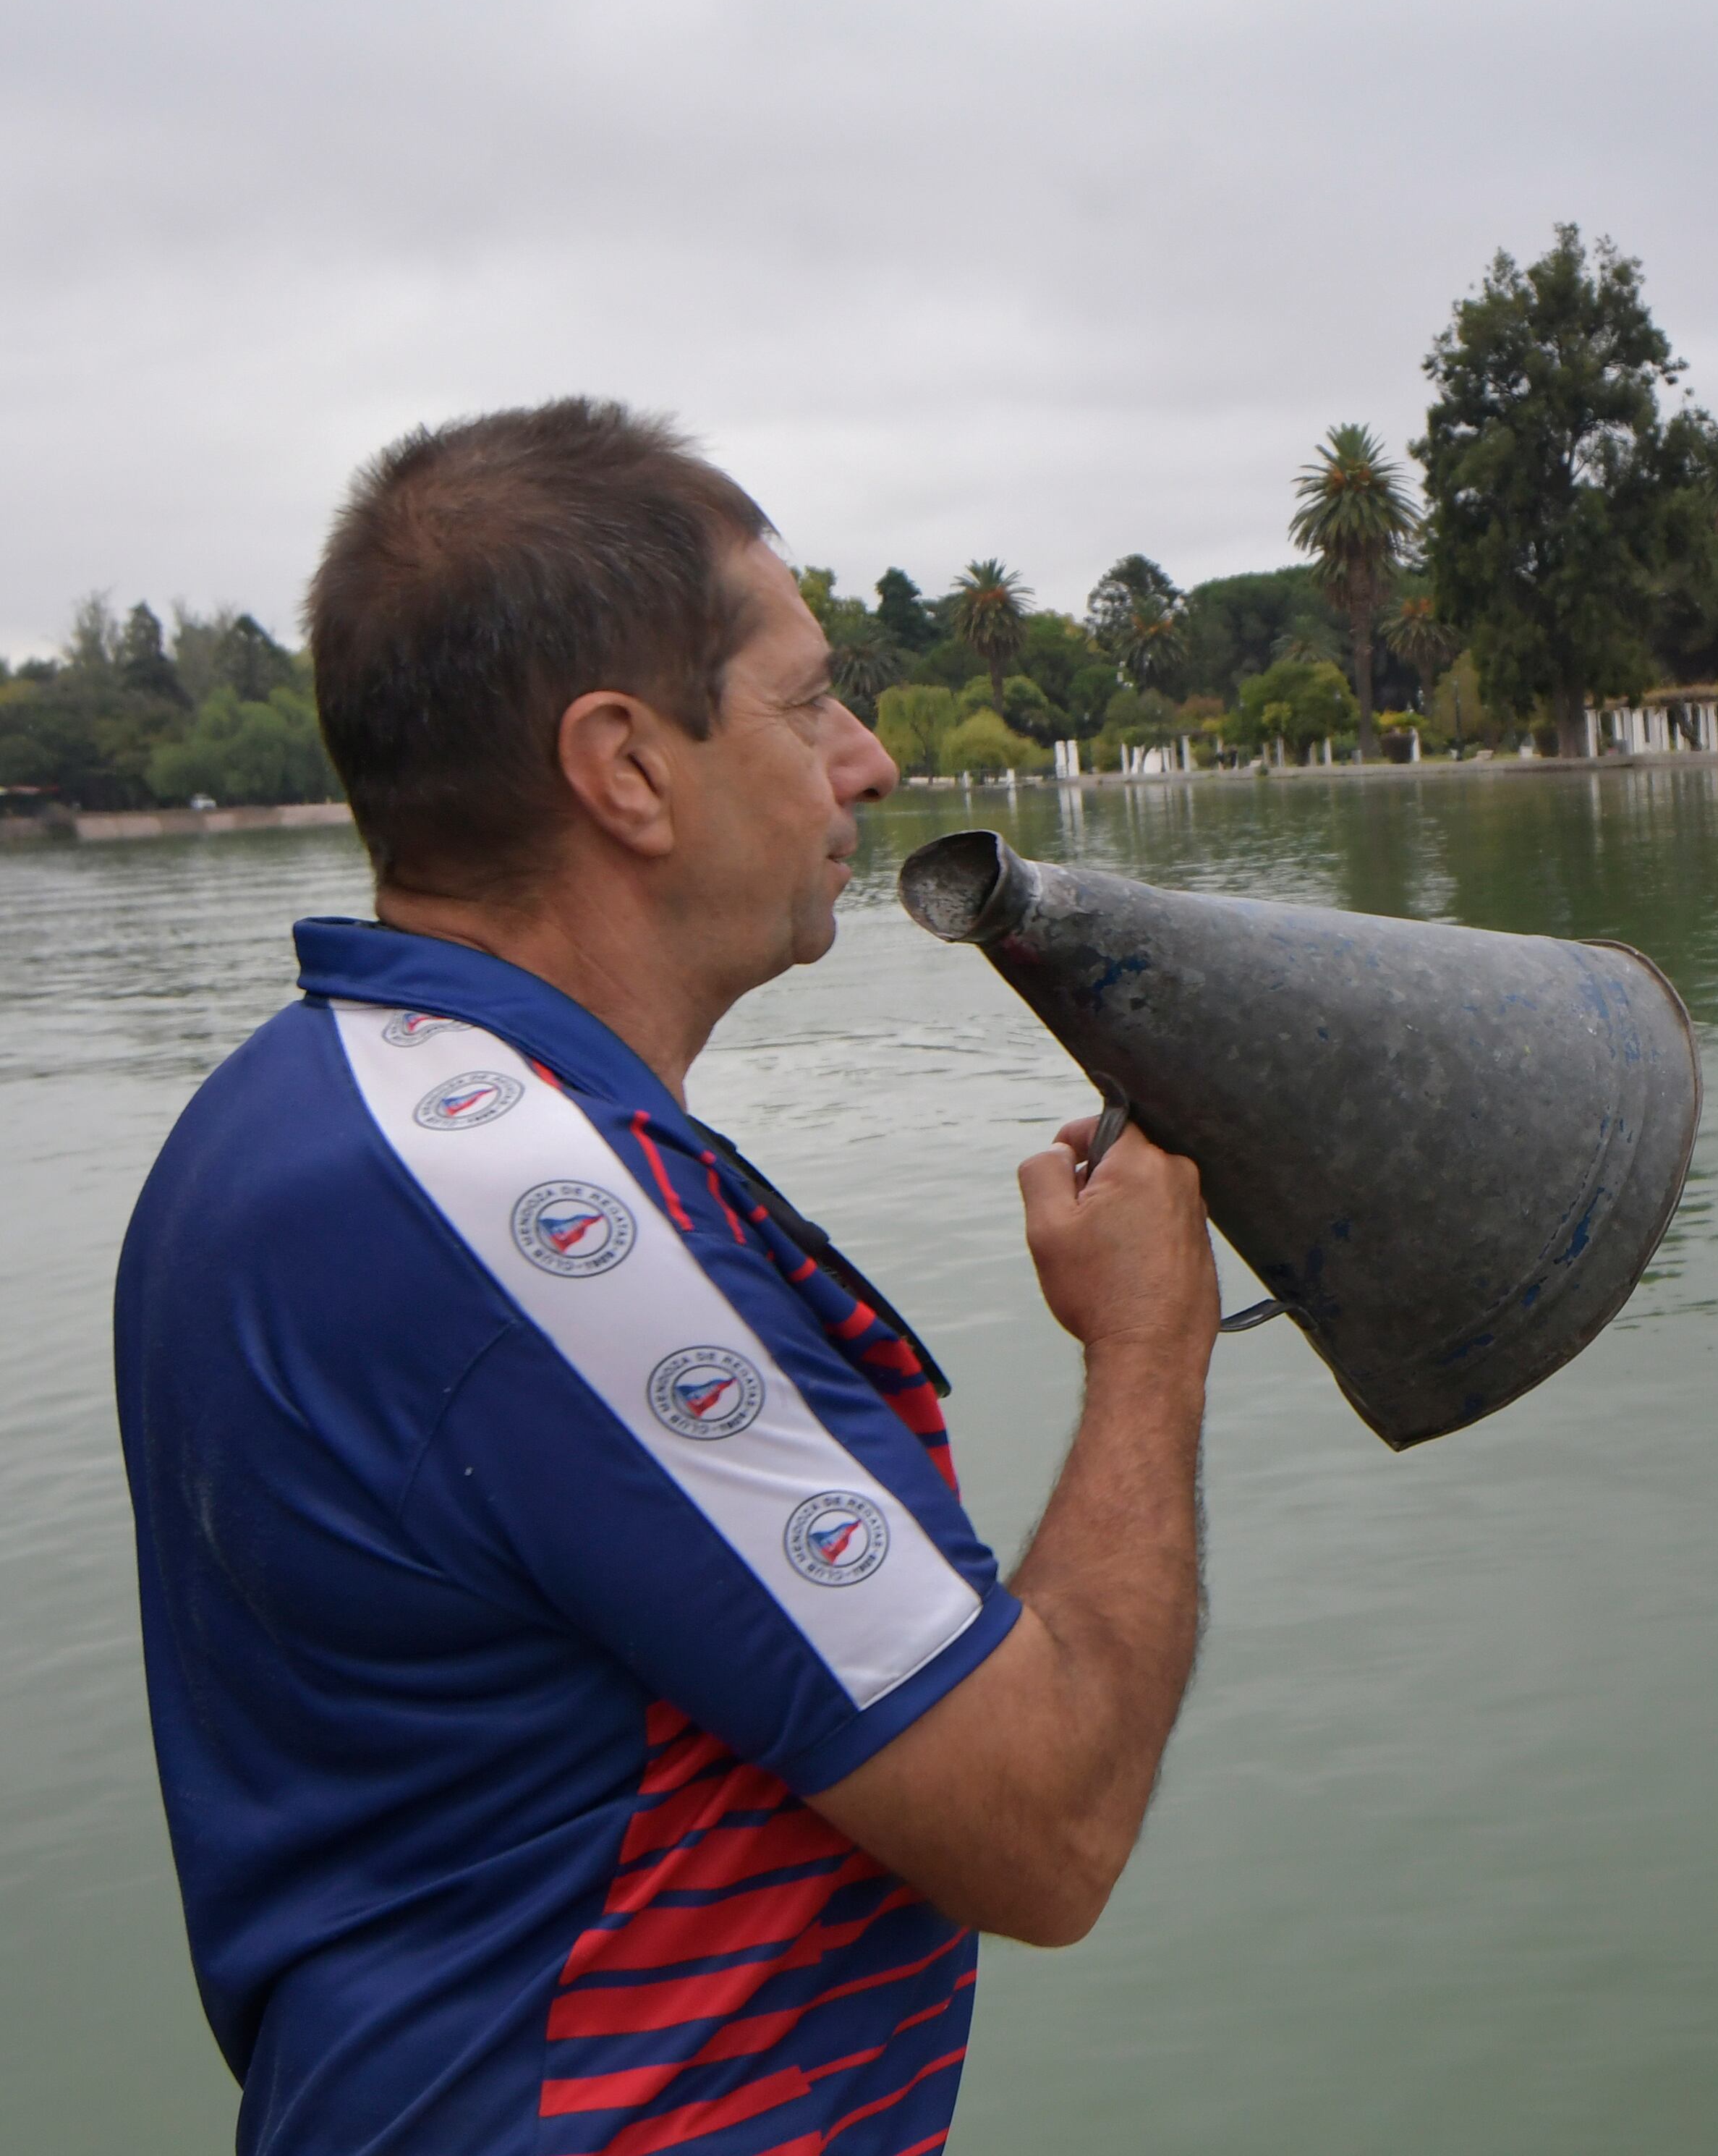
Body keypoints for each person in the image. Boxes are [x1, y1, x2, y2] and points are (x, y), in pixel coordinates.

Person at [116, 400, 1220, 2155]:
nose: (860, 761)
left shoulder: (293, 1107)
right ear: (626, 766)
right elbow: (1049, 1815)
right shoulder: (539, 1221)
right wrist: (1150, 1338)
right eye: (806, 702)